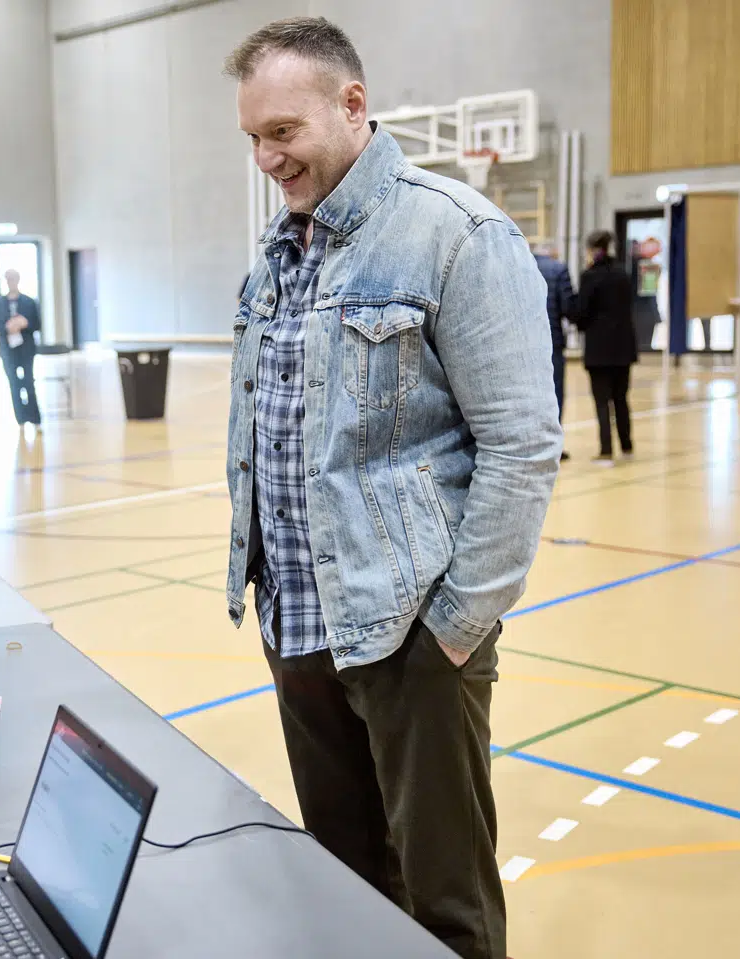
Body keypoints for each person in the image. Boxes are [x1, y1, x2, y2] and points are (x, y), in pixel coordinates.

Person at [223, 19, 561, 959]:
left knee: (447, 911)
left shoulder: (458, 234)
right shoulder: (280, 249)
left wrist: (454, 627)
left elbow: (522, 444)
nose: (266, 158)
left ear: (352, 105)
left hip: (412, 636)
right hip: (297, 622)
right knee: (345, 887)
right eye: (252, 137)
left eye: (282, 132)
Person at [575, 229, 638, 466]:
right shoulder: (622, 274)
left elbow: (581, 312)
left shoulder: (590, 276)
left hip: (599, 350)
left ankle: (606, 451)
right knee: (621, 398)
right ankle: (627, 446)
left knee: (602, 401)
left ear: (592, 250)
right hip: (623, 348)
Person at [532, 242, 576, 461]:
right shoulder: (558, 269)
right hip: (552, 341)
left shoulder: (520, 263)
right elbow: (569, 308)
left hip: (521, 341)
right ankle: (552, 447)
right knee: (554, 393)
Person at [0, 269, 42, 427]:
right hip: (8, 350)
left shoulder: (28, 302)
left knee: (28, 382)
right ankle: (21, 419)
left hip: (26, 349)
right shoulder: (0, 303)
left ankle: (35, 419)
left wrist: (24, 324)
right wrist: (8, 327)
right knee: (14, 383)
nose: (11, 281)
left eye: (13, 278)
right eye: (8, 279)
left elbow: (37, 324)